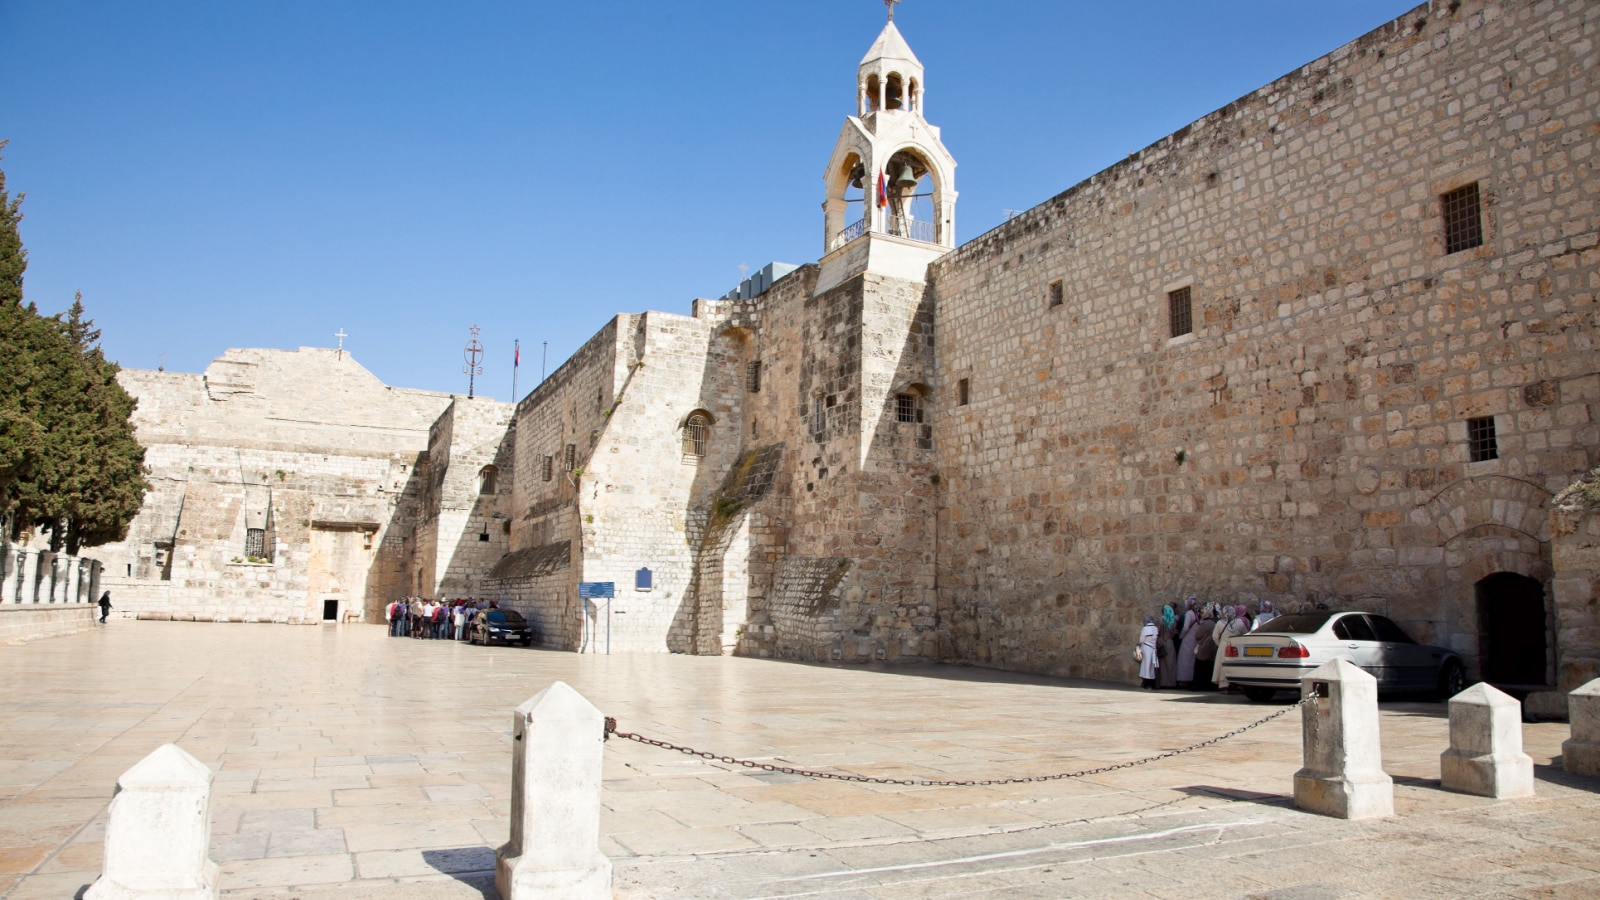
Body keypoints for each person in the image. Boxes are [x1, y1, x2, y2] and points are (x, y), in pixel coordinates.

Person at [1193, 603, 1220, 687]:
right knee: (1209, 668)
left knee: (1199, 667)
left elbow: (1198, 635)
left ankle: (1197, 685)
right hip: (1212, 648)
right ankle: (1209, 685)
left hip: (1203, 647)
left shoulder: (1205, 623)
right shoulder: (1214, 623)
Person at [1176, 597, 1200, 689]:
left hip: (1188, 638)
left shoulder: (1189, 613)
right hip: (1195, 638)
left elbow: (1186, 627)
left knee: (1184, 660)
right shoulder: (1198, 613)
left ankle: (1184, 680)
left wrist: (1181, 636)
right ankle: (1191, 678)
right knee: (1192, 659)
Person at [1157, 604, 1178, 689]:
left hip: (1162, 642)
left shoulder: (1161, 620)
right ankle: (1171, 682)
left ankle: (1163, 682)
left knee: (1162, 664)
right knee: (1171, 664)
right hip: (1170, 643)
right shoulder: (1173, 622)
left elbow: (1158, 632)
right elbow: (1173, 634)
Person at [1136, 615, 1160, 689]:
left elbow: (1141, 640)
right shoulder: (1155, 628)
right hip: (1153, 648)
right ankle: (1151, 683)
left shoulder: (1145, 629)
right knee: (1151, 666)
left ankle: (1146, 683)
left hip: (1146, 648)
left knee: (1145, 666)